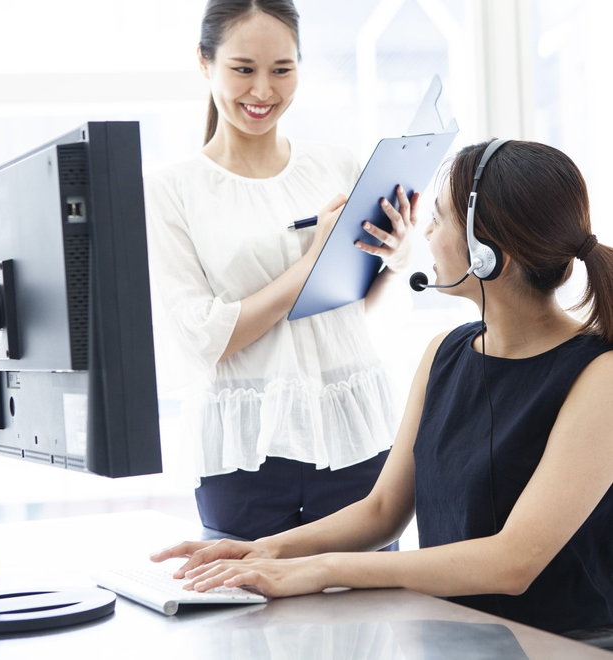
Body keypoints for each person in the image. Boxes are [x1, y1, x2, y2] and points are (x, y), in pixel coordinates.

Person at [150, 139, 613, 638]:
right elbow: (382, 511)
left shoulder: (599, 375)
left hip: (562, 644)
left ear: (486, 254)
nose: (426, 233)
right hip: (459, 633)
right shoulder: (445, 352)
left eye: (438, 219)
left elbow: (513, 562)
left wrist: (322, 570)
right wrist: (263, 550)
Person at [145, 0, 416, 541]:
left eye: (282, 70)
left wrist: (396, 256)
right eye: (243, 69)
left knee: (372, 594)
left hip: (353, 433)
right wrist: (312, 262)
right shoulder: (171, 190)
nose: (263, 90)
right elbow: (203, 339)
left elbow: (354, 307)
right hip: (243, 451)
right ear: (204, 62)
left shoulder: (337, 163)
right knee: (247, 594)